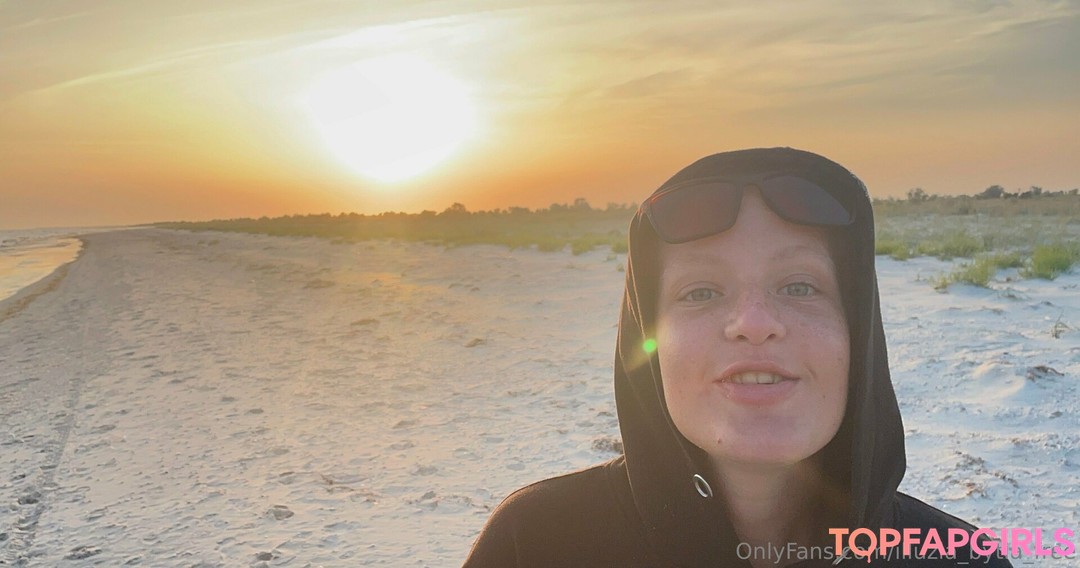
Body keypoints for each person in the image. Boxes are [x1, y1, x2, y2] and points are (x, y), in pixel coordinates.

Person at [462, 148, 1013, 567]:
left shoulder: (960, 559)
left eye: (800, 286)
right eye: (701, 291)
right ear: (648, 345)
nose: (753, 322)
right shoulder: (536, 543)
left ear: (858, 333)